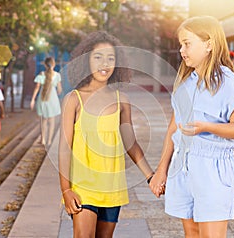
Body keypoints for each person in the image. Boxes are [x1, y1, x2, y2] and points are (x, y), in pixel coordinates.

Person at [149, 16, 234, 238]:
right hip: (183, 165)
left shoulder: (228, 82)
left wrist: (207, 127)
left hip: (212, 169)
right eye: (180, 44)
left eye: (187, 43)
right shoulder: (185, 83)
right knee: (191, 233)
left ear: (209, 44)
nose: (182, 50)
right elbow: (173, 130)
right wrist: (161, 171)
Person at [58, 31, 154, 237]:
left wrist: (150, 176)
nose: (105, 63)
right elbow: (64, 149)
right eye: (98, 57)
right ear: (86, 61)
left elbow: (131, 144)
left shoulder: (122, 100)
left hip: (112, 188)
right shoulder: (73, 99)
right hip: (83, 187)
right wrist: (66, 190)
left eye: (111, 58)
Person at [30, 57, 62, 147]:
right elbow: (59, 90)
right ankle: (49, 141)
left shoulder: (41, 74)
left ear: (45, 64)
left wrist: (33, 99)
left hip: (43, 98)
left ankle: (43, 139)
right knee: (52, 121)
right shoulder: (57, 75)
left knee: (43, 120)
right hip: (53, 99)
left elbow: (37, 87)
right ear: (54, 64)